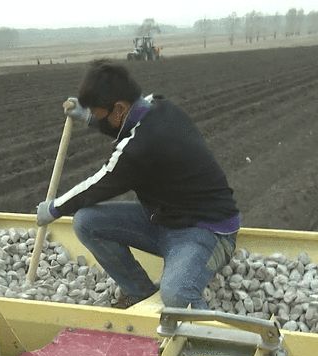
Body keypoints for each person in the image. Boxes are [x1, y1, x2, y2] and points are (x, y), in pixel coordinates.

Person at [36, 59, 240, 310]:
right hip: (164, 219)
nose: (103, 121)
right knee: (87, 222)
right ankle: (139, 292)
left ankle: (208, 341)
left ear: (120, 107)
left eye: (103, 116)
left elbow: (100, 183)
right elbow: (130, 128)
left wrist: (54, 208)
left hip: (206, 230)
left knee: (177, 294)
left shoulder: (139, 148)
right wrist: (91, 118)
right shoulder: (158, 106)